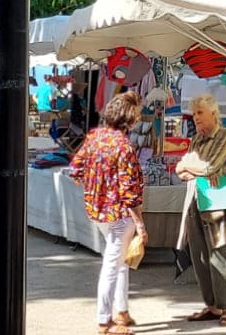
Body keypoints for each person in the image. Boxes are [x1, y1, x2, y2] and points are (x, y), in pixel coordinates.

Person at [69, 91, 147, 335]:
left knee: (119, 261)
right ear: (130, 120)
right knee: (113, 264)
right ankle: (105, 321)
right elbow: (129, 191)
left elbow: (75, 171)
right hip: (120, 215)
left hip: (97, 211)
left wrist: (96, 186)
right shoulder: (124, 146)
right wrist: (141, 224)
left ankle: (121, 311)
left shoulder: (95, 137)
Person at [176, 93, 226, 327]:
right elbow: (181, 169)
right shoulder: (196, 140)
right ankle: (211, 305)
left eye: (199, 113)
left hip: (219, 202)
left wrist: (192, 167)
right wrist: (192, 168)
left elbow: (210, 166)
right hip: (195, 200)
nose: (195, 118)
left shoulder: (225, 135)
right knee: (200, 256)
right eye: (194, 114)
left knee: (220, 255)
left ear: (213, 113)